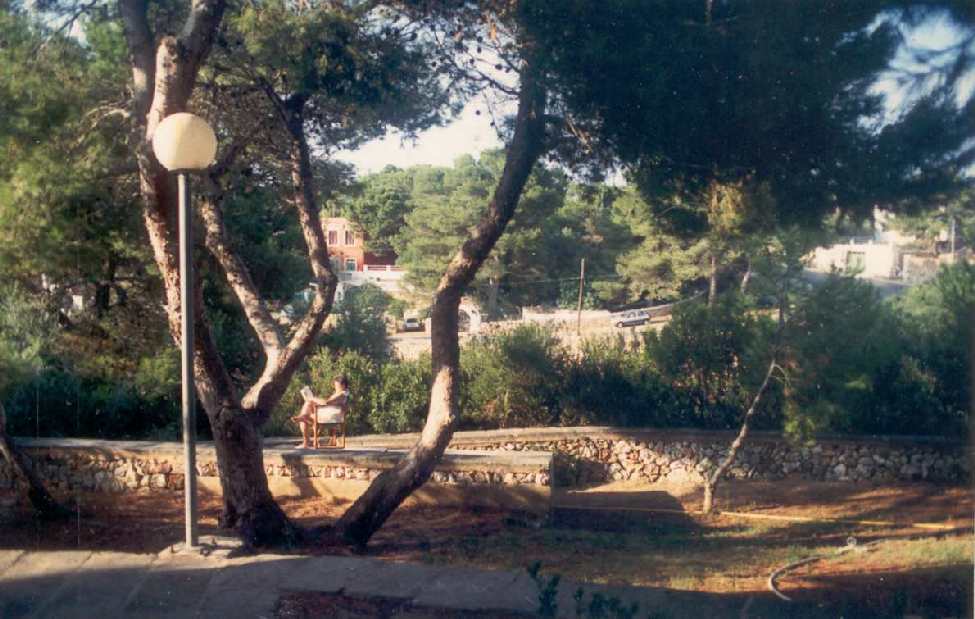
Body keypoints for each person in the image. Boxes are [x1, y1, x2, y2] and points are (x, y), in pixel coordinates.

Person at [291, 375, 350, 448]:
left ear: (343, 385)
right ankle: (304, 417)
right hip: (327, 412)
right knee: (308, 404)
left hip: (331, 416)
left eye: (336, 385)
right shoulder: (340, 393)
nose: (335, 387)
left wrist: (313, 398)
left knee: (306, 411)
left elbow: (326, 402)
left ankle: (306, 441)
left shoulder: (342, 394)